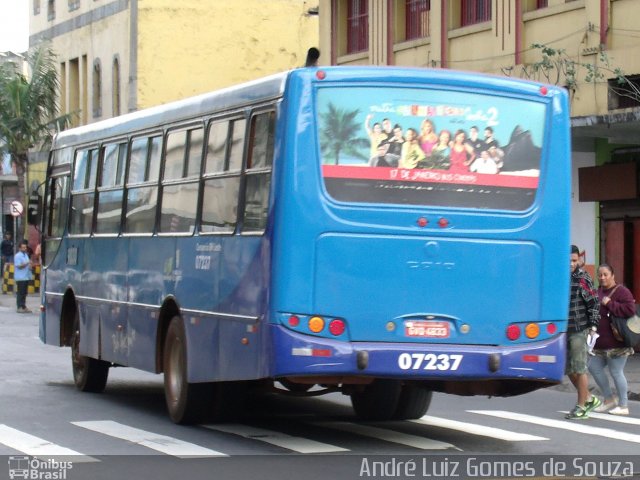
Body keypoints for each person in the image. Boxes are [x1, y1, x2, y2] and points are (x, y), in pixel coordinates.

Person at [589, 263, 636, 416]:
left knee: (616, 372)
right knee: (593, 367)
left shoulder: (622, 292)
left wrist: (610, 303)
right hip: (601, 343)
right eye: (600, 275)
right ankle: (609, 399)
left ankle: (623, 405)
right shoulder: (599, 291)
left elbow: (630, 310)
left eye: (605, 275)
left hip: (618, 343)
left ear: (612, 275)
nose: (602, 278)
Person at [565, 245, 602, 419]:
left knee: (579, 368)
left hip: (580, 329)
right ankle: (588, 398)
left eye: (574, 260)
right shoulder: (560, 276)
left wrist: (593, 327)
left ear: (579, 260)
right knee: (568, 368)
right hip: (564, 329)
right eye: (569, 260)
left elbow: (594, 303)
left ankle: (582, 407)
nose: (571, 264)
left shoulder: (583, 278)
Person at [14, 240, 33, 313]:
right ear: (19, 248)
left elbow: (27, 264)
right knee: (20, 292)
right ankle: (19, 306)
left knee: (25, 292)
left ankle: (23, 306)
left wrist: (30, 265)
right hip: (20, 277)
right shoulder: (18, 256)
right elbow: (19, 266)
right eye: (23, 247)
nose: (25, 249)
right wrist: (27, 263)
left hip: (26, 276)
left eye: (25, 247)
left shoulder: (26, 255)